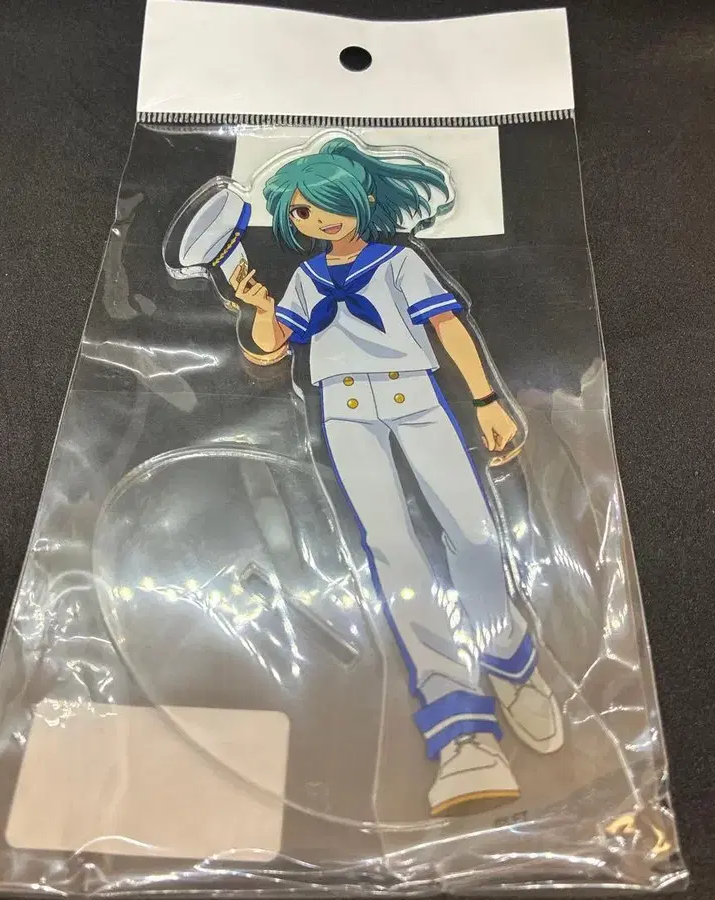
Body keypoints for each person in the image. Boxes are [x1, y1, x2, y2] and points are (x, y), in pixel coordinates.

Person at [230, 137, 563, 816]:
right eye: (303, 211)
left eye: (328, 204)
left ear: (357, 201)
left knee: (471, 531)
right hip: (344, 409)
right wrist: (259, 307)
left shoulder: (400, 261)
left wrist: (487, 399)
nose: (318, 219)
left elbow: (449, 329)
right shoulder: (306, 277)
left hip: (416, 398)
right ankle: (460, 728)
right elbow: (272, 349)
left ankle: (506, 653)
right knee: (394, 553)